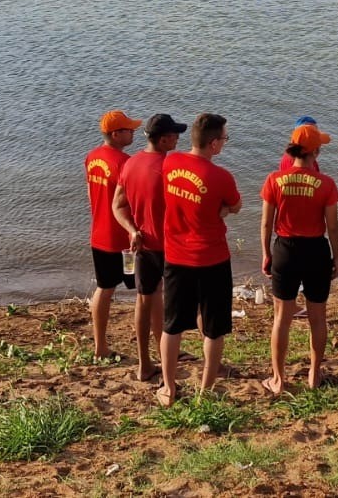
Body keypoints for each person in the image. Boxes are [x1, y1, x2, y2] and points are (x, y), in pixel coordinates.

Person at [157, 113, 241, 406]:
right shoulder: (220, 177)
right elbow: (236, 204)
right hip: (212, 258)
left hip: (176, 256)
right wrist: (225, 210)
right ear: (214, 144)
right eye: (224, 139)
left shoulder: (169, 162)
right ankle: (206, 391)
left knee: (173, 325)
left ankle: (168, 387)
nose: (224, 143)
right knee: (214, 327)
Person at [259, 123, 338, 395]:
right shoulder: (326, 183)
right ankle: (314, 373)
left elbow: (266, 224)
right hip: (316, 250)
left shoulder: (274, 179)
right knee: (318, 317)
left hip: (285, 249)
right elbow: (332, 227)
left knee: (282, 318)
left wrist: (266, 254)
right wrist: (336, 257)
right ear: (315, 152)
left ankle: (278, 379)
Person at [112, 113, 188, 383]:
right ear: (164, 139)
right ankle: (172, 360)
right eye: (175, 135)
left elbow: (117, 205)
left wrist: (132, 230)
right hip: (171, 248)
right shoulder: (170, 168)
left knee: (145, 302)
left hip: (143, 246)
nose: (179, 138)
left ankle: (145, 363)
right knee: (180, 307)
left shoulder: (130, 164)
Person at [85, 109, 144, 360]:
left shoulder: (92, 157)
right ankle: (159, 345)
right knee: (146, 291)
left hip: (99, 234)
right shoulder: (125, 163)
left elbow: (91, 195)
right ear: (116, 134)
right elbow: (132, 203)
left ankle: (100, 347)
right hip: (124, 239)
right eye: (129, 129)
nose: (133, 132)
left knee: (104, 288)